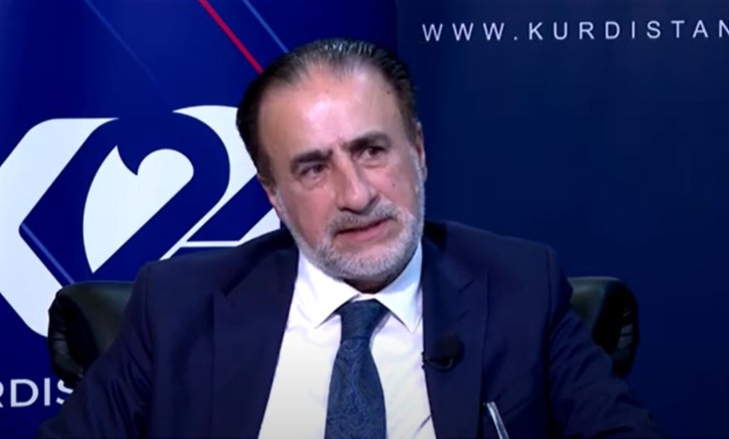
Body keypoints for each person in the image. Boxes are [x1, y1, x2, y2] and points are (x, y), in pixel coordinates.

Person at [36, 37, 664, 439]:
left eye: (372, 150)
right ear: (274, 195)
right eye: (313, 169)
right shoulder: (179, 306)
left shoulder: (520, 287)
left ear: (419, 151)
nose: (357, 194)